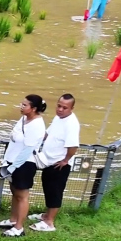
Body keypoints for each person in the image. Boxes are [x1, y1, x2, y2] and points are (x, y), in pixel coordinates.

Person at [0, 94, 47, 237]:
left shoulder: (37, 125)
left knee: (22, 195)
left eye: (25, 105)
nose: (21, 106)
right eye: (22, 104)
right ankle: (13, 220)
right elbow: (15, 135)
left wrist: (12, 168)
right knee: (14, 191)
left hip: (24, 164)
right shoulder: (24, 118)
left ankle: (19, 228)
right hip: (12, 160)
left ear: (34, 108)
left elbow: (27, 150)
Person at [30, 93, 80, 233]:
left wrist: (65, 160)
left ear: (72, 108)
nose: (60, 109)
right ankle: (46, 215)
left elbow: (73, 146)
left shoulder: (71, 124)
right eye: (59, 106)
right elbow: (47, 134)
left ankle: (49, 222)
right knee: (48, 189)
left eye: (65, 107)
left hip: (59, 164)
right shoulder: (58, 118)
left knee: (55, 192)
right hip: (48, 160)